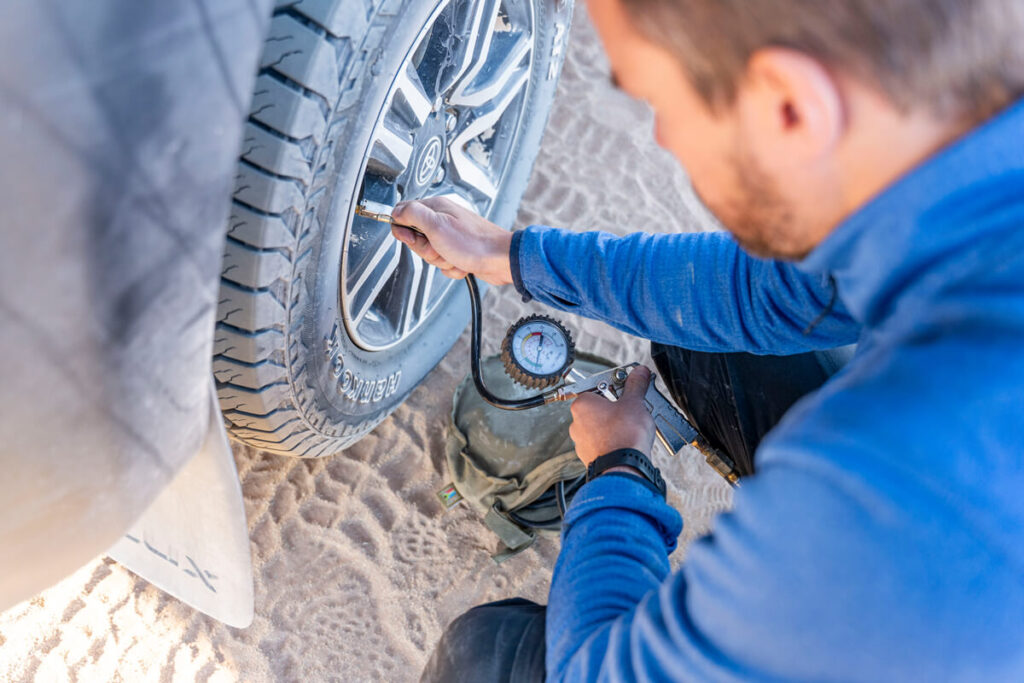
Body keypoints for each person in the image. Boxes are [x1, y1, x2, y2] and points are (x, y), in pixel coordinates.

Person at [395, 0, 1024, 680]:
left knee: (483, 655)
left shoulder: (893, 496)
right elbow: (771, 291)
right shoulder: (961, 165)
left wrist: (617, 476)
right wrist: (514, 255)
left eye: (657, 99)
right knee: (706, 334)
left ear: (790, 106)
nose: (661, 136)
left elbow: (601, 672)